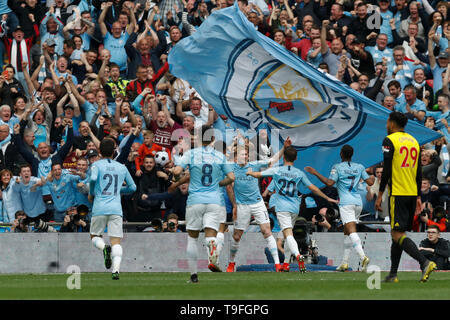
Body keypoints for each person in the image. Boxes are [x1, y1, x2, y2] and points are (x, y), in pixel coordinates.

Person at [247, 145, 338, 273]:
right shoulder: (299, 173)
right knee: (287, 234)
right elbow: (313, 188)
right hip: (295, 208)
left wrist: (250, 172)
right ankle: (286, 264)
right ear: (295, 158)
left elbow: (259, 174)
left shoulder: (277, 171)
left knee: (288, 234)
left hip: (282, 207)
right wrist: (327, 198)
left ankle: (297, 256)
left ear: (283, 156)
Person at [375, 111, 437, 282]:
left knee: (397, 234)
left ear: (392, 123)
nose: (387, 124)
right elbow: (418, 172)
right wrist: (418, 196)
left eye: (388, 121)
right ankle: (393, 274)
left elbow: (386, 169)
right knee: (398, 233)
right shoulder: (414, 141)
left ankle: (424, 263)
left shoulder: (389, 140)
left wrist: (380, 195)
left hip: (398, 193)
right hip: (411, 193)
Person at [172, 125, 235, 283]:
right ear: (213, 139)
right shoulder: (219, 156)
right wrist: (219, 184)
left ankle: (193, 276)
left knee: (192, 238)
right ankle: (212, 246)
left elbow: (177, 171)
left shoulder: (191, 154)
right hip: (214, 200)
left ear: (198, 138)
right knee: (210, 234)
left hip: (195, 201)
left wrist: (178, 175)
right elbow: (231, 177)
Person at [226, 138, 291, 273]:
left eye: (246, 155)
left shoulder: (254, 165)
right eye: (243, 155)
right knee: (237, 236)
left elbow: (271, 161)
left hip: (257, 203)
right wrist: (234, 206)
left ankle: (277, 264)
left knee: (266, 231)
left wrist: (284, 148)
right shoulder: (231, 168)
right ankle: (231, 263)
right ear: (236, 157)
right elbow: (229, 188)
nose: (246, 157)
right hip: (242, 205)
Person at [305, 145, 374, 272]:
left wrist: (315, 173)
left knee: (351, 230)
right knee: (347, 232)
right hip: (358, 203)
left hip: (346, 203)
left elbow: (329, 183)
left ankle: (362, 256)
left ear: (341, 154)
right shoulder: (359, 167)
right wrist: (371, 177)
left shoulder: (337, 167)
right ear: (352, 155)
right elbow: (370, 182)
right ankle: (344, 262)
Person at [89, 138, 136, 280]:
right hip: (116, 208)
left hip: (99, 207)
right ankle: (115, 271)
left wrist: (92, 193)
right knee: (116, 241)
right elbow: (133, 187)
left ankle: (104, 248)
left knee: (95, 236)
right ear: (114, 151)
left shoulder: (96, 165)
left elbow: (92, 179)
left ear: (99, 151)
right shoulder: (121, 167)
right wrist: (119, 190)